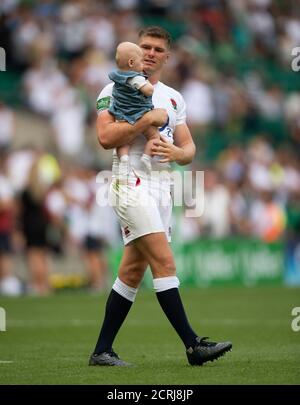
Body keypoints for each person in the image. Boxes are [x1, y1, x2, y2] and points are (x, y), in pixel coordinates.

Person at [89, 26, 232, 367]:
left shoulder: (173, 97)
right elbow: (106, 137)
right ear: (134, 52)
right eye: (144, 47)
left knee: (133, 270)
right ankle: (193, 344)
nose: (150, 53)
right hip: (129, 180)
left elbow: (189, 149)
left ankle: (102, 351)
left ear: (167, 56)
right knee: (164, 262)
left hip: (162, 187)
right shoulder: (113, 88)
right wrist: (146, 122)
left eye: (156, 49)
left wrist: (174, 151)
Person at [108, 41, 160, 174]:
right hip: (139, 114)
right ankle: (147, 157)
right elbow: (149, 91)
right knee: (154, 137)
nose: (143, 65)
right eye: (141, 61)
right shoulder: (135, 77)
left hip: (121, 115)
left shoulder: (116, 77)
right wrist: (146, 83)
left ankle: (124, 158)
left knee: (123, 142)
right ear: (131, 63)